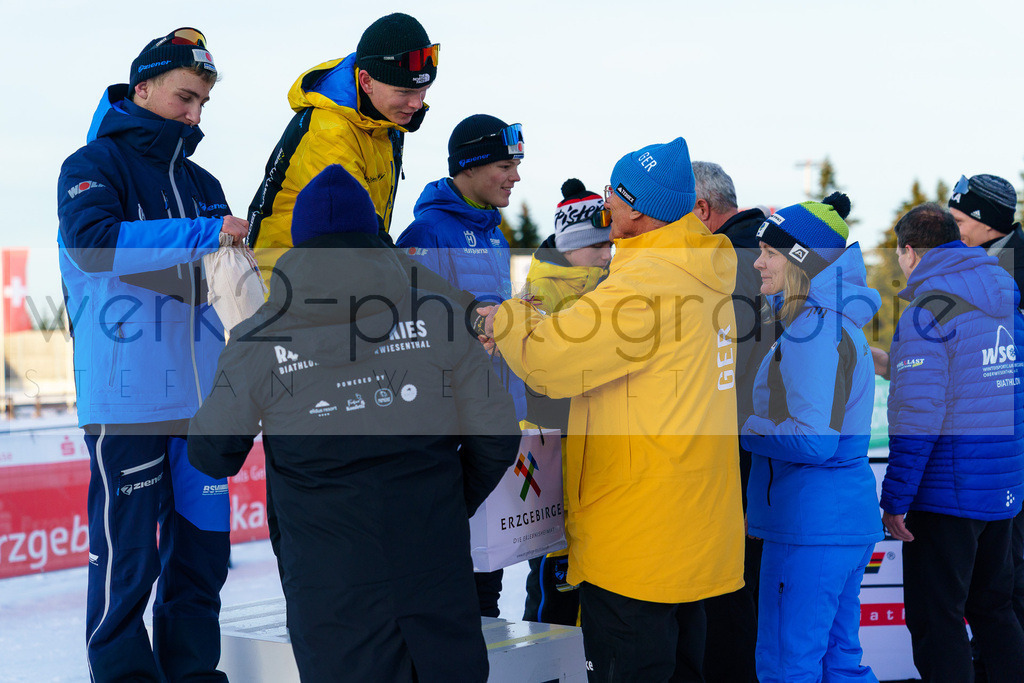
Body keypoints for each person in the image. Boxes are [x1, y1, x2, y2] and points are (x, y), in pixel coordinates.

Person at [188, 165, 521, 682]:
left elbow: (212, 453)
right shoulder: (436, 315)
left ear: (300, 246)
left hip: (330, 581)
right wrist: (450, 501)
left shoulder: (259, 338)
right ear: (374, 237)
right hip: (434, 560)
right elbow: (497, 432)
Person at [485, 138, 746, 682]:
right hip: (692, 528)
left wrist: (505, 319)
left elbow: (549, 362)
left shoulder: (646, 286)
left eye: (612, 193)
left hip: (637, 536)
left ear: (637, 207)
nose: (605, 201)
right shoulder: (703, 270)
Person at [56, 27, 247, 681]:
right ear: (142, 88)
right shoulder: (91, 166)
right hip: (128, 402)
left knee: (202, 560)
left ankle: (193, 674)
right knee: (127, 562)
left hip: (204, 407)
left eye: (202, 105)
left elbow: (223, 282)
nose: (194, 116)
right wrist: (201, 235)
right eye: (184, 97)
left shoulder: (205, 180)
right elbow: (93, 246)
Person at [740, 193, 883, 683]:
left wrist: (745, 428)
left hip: (810, 525)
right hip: (839, 520)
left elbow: (815, 440)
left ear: (801, 261)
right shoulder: (834, 322)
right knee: (839, 660)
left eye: (770, 253)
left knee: (788, 664)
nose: (758, 262)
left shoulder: (814, 330)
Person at [880, 203, 1024, 682]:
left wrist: (896, 498)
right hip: (1000, 490)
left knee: (936, 620)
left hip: (947, 495)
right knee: (994, 611)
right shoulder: (1005, 298)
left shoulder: (928, 310)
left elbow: (918, 415)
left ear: (909, 251)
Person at [396, 113, 527, 617]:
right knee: (454, 579)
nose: (515, 175)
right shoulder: (428, 231)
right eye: (503, 163)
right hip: (449, 431)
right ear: (469, 167)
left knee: (488, 576)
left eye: (517, 163)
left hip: (491, 424)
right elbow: (405, 327)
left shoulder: (493, 232)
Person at [248, 12, 438, 288]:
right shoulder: (330, 132)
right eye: (404, 92)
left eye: (423, 91)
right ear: (366, 81)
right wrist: (453, 302)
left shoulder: (383, 118)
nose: (416, 104)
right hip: (286, 286)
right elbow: (362, 234)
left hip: (335, 274)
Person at [691, 161, 770, 683]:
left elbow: (722, 365)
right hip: (759, 449)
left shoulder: (724, 263)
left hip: (730, 451)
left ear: (701, 210)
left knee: (726, 596)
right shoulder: (764, 250)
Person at [520, 178, 611, 626]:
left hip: (596, 447)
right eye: (596, 245)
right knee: (554, 575)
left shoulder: (607, 284)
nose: (606, 253)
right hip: (554, 446)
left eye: (609, 244)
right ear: (570, 244)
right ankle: (546, 664)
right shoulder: (545, 292)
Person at [948, 173, 1024, 647]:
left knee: (1007, 579)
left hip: (1008, 445)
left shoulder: (1009, 272)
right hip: (997, 444)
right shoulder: (986, 264)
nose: (951, 230)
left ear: (986, 223)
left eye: (957, 220)